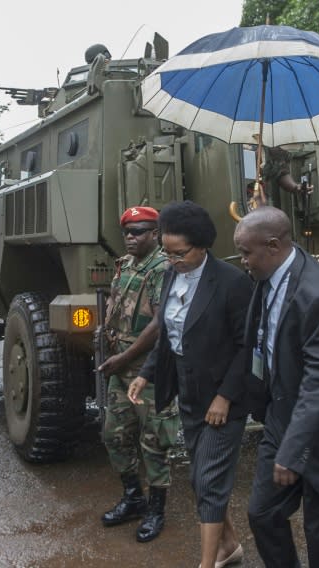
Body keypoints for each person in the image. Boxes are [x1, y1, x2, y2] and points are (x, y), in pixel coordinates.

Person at [233, 206, 319, 568]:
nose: (243, 260)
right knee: (262, 514)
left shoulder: (316, 296)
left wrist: (293, 450)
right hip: (283, 418)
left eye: (247, 252)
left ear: (274, 245)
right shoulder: (268, 275)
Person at [128, 201, 252, 568]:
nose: (172, 260)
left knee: (209, 481)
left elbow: (249, 348)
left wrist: (225, 397)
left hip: (222, 399)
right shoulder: (171, 275)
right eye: (166, 252)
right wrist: (145, 373)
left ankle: (207, 563)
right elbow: (168, 337)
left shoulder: (231, 283)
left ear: (202, 246)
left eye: (179, 253)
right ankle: (230, 547)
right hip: (189, 395)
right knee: (200, 479)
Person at [98, 206, 180, 543]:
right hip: (121, 367)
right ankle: (133, 498)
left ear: (155, 234)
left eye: (140, 231)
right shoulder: (125, 265)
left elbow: (161, 323)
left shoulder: (162, 268)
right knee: (114, 435)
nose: (131, 238)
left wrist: (126, 358)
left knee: (154, 443)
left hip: (149, 371)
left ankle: (156, 510)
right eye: (128, 232)